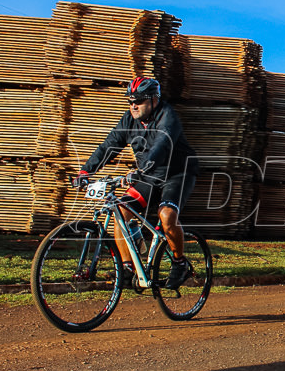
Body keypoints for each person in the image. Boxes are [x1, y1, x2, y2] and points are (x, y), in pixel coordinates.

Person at [74, 77, 199, 290]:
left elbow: (161, 146)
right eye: (130, 101)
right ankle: (128, 267)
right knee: (121, 212)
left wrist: (141, 170)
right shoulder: (129, 119)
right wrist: (86, 171)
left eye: (139, 101)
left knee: (167, 215)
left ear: (153, 100)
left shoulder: (168, 116)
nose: (133, 105)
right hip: (147, 175)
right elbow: (109, 146)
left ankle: (179, 264)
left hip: (177, 173)